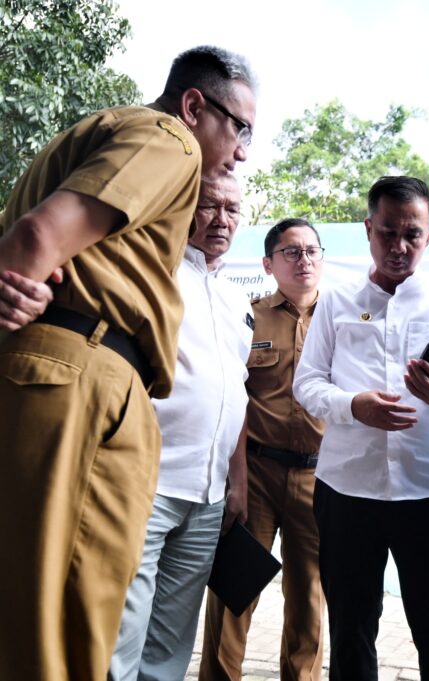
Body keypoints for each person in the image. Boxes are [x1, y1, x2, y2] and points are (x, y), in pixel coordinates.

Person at [0, 45, 257, 680]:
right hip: (83, 374)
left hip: (77, 374)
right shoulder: (169, 137)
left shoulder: (93, 134)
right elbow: (35, 240)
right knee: (63, 628)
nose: (244, 151)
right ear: (195, 106)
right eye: (242, 128)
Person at [294, 176, 429, 681]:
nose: (399, 246)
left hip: (427, 491)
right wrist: (354, 405)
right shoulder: (335, 301)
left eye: (412, 234)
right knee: (352, 634)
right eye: (387, 232)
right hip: (347, 492)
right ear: (368, 230)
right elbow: (306, 384)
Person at [108, 174, 253, 680]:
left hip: (210, 494)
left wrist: (238, 480)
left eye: (232, 210)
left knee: (170, 648)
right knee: (119, 639)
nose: (221, 219)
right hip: (145, 484)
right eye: (209, 205)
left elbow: (236, 391)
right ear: (185, 207)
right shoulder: (156, 273)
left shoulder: (237, 300)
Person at [201, 218, 328, 681]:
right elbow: (234, 396)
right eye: (292, 252)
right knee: (235, 590)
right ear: (268, 263)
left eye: (312, 250)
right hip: (256, 476)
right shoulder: (249, 315)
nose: (304, 260)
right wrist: (235, 479)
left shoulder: (341, 319)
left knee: (308, 597)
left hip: (319, 479)